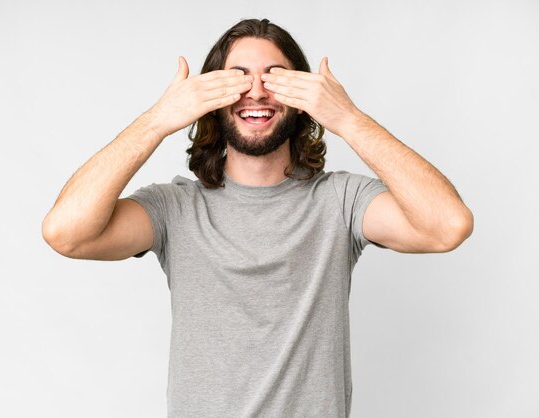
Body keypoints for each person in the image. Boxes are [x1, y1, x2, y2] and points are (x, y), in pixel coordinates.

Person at [42, 18, 473, 418]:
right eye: (237, 78)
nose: (256, 92)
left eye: (275, 77)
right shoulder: (174, 208)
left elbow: (447, 226)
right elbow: (67, 234)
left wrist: (347, 118)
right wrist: (157, 121)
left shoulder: (342, 200)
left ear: (304, 97)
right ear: (210, 99)